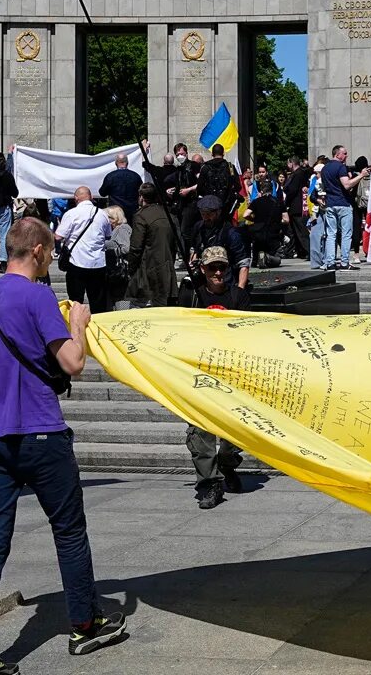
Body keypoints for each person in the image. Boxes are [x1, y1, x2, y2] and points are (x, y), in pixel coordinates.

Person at [0, 216, 126, 670]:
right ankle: (85, 626)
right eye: (49, 252)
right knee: (68, 531)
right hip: (41, 432)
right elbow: (72, 364)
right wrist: (80, 325)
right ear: (37, 252)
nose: (50, 259)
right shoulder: (37, 295)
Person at [178, 246, 250, 508]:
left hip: (232, 373)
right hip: (198, 372)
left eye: (222, 267)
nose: (217, 272)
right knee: (200, 432)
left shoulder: (238, 296)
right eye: (212, 267)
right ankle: (211, 483)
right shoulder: (191, 295)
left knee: (236, 433)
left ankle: (227, 464)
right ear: (203, 269)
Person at [53, 186, 113, 314]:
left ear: (76, 198)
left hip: (76, 261)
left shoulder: (71, 214)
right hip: (98, 262)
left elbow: (58, 236)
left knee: (76, 301)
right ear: (91, 197)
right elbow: (108, 234)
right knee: (98, 302)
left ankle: (77, 328)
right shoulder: (102, 214)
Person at [127, 184, 178, 308]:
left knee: (138, 308)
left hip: (147, 268)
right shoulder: (170, 215)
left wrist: (131, 268)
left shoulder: (141, 216)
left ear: (141, 197)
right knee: (162, 308)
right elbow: (176, 243)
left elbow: (136, 247)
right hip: (166, 266)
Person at [317, 146, 361, 270]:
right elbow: (347, 185)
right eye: (345, 153)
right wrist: (360, 176)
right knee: (346, 234)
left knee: (331, 234)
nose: (346, 156)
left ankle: (330, 262)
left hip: (330, 204)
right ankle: (344, 262)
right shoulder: (341, 167)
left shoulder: (325, 168)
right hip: (343, 203)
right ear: (337, 154)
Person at [101, 205, 133, 312]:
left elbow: (125, 248)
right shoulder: (114, 230)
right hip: (113, 271)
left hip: (120, 272)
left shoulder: (123, 228)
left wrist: (106, 245)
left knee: (121, 303)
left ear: (114, 218)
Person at [98, 153, 143, 224]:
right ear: (127, 163)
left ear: (116, 163)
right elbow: (141, 192)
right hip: (132, 211)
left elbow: (102, 193)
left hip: (115, 213)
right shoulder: (136, 176)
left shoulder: (110, 176)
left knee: (116, 233)